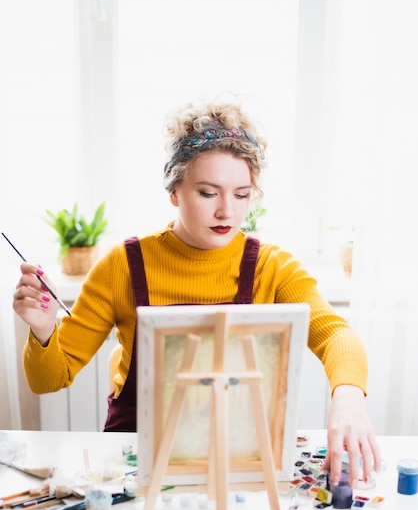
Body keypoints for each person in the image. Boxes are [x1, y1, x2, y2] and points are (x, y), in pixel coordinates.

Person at [12, 95, 380, 487]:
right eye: (208, 193)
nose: (228, 212)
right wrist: (42, 330)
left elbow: (336, 335)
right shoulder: (122, 264)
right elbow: (49, 379)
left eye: (242, 195)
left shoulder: (272, 266)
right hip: (138, 458)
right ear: (174, 192)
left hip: (236, 455)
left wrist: (349, 399)